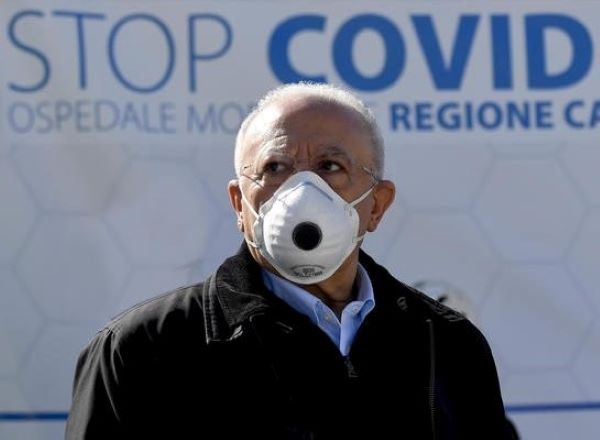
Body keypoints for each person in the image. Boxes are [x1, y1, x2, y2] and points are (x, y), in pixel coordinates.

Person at [66, 82, 512, 439]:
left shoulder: (447, 344)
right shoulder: (143, 350)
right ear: (239, 204)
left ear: (377, 204)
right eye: (275, 167)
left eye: (330, 166)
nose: (300, 191)